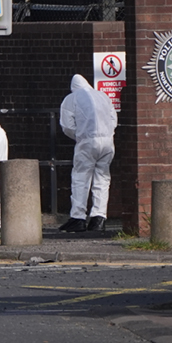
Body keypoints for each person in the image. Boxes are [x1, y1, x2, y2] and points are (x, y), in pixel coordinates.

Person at [58, 73, 117, 232]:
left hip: (87, 141)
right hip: (107, 141)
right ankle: (99, 218)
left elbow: (67, 126)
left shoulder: (72, 98)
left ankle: (78, 217)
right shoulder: (103, 96)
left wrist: (80, 135)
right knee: (102, 178)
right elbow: (113, 120)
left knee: (80, 177)